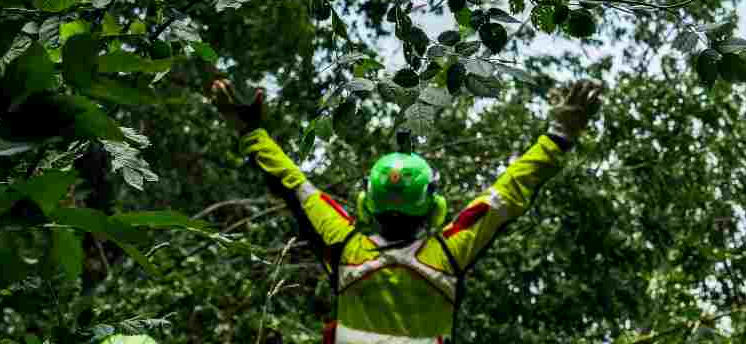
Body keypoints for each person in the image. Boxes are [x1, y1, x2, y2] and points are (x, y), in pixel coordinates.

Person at [211, 78, 604, 344]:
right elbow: (509, 191)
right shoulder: (449, 253)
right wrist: (561, 134)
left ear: (368, 201)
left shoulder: (345, 245)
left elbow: (293, 184)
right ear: (433, 205)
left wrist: (249, 130)